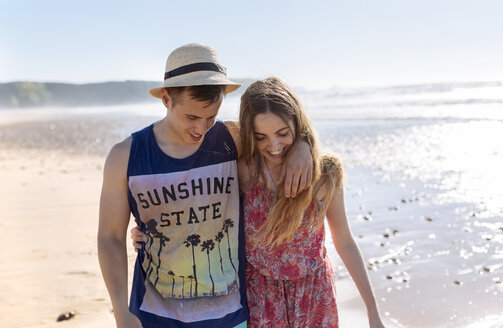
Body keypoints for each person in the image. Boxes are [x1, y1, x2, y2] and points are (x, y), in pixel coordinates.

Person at [132, 77, 386, 327]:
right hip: (260, 299)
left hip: (314, 294)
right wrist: (155, 230)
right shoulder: (243, 172)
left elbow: (345, 242)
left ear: (298, 125)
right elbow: (199, 208)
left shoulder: (325, 174)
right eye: (260, 136)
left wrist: (372, 312)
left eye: (283, 133)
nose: (274, 145)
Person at [98, 44, 313, 328]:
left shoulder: (231, 138)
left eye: (211, 116)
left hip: (230, 316)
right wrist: (120, 311)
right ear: (166, 99)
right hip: (154, 315)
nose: (202, 128)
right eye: (191, 117)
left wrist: (303, 144)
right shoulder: (126, 156)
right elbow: (109, 237)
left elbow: (278, 136)